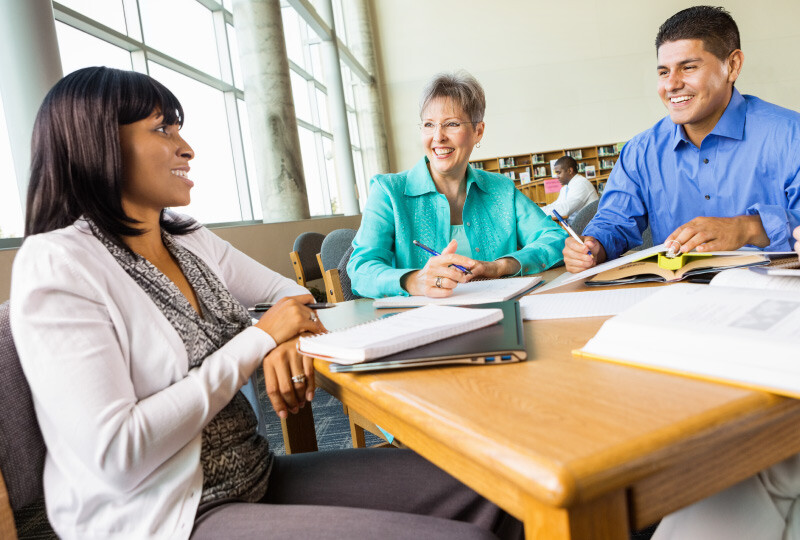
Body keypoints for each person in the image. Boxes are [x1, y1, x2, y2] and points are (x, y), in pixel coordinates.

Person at [9, 67, 521, 540]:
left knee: (500, 493)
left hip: (255, 475)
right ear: (98, 144)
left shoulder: (186, 238)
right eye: (162, 130)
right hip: (166, 519)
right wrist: (259, 340)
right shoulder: (58, 263)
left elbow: (291, 295)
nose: (186, 149)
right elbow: (117, 454)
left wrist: (285, 336)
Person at [563, 5, 800, 274]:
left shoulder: (792, 135)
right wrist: (592, 247)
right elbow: (613, 222)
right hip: (677, 298)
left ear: (733, 66)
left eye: (688, 67)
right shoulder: (641, 151)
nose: (671, 85)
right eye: (663, 72)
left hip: (776, 297)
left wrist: (747, 228)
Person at [347, 72, 567, 299]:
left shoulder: (501, 189)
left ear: (478, 131)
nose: (438, 136)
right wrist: (413, 281)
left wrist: (500, 267)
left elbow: (556, 239)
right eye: (429, 124)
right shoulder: (388, 192)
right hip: (422, 325)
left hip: (500, 316)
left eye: (451, 124)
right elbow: (361, 269)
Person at [541, 156, 599, 222]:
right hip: (575, 224)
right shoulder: (565, 188)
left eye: (559, 173)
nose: (557, 177)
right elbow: (556, 205)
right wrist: (538, 210)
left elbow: (564, 210)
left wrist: (540, 212)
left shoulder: (581, 184)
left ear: (570, 171)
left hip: (585, 227)